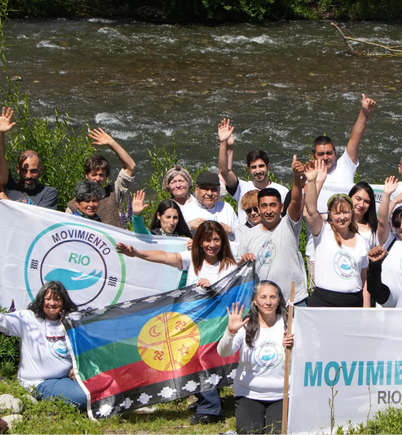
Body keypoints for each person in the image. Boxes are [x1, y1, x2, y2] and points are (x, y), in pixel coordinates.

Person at [117, 221, 237, 424]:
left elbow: (233, 297)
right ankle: (206, 398)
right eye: (207, 239)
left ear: (223, 242)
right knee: (188, 360)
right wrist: (137, 253)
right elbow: (165, 257)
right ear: (199, 242)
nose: (212, 244)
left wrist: (213, 288)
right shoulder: (193, 260)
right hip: (189, 324)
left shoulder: (230, 267)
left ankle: (211, 410)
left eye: (216, 239)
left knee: (204, 362)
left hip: (215, 325)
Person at [0, 281, 85, 410]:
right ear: (41, 300)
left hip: (66, 379)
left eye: (57, 299)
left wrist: (75, 369)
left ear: (64, 302)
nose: (52, 303)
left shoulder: (70, 322)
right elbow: (1, 320)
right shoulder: (28, 318)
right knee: (82, 397)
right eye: (47, 299)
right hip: (38, 382)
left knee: (99, 388)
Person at [218, 281, 294, 434]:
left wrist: (294, 346)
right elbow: (223, 352)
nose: (268, 302)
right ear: (255, 300)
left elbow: (307, 354)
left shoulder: (290, 324)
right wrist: (230, 332)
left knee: (276, 432)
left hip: (282, 394)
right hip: (248, 393)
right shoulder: (245, 325)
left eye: (273, 297)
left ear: (279, 300)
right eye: (263, 297)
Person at [239, 156, 309, 306]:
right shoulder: (247, 236)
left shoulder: (289, 225)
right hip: (264, 303)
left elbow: (296, 202)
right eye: (264, 206)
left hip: (293, 300)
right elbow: (239, 274)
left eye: (273, 205)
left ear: (282, 207)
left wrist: (297, 177)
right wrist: (242, 260)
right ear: (258, 208)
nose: (269, 210)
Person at [304, 159, 369, 307]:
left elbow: (364, 281)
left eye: (345, 212)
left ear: (351, 213)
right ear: (329, 214)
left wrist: (366, 310)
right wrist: (314, 181)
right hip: (323, 302)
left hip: (354, 302)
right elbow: (310, 210)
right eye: (337, 213)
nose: (342, 217)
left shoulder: (361, 241)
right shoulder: (322, 231)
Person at [218, 119, 289, 224]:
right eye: (254, 167)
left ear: (268, 166)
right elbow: (224, 170)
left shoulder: (282, 191)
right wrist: (223, 142)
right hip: (245, 238)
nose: (258, 171)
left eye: (261, 166)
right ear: (248, 169)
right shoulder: (241, 188)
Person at [66, 128, 137, 228]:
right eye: (94, 175)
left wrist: (111, 143)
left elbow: (130, 167)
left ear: (106, 177)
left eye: (101, 175)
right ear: (87, 175)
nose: (97, 179)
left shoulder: (113, 194)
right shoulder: (73, 205)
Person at [0, 107, 57, 209]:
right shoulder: (10, 187)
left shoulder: (48, 193)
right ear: (18, 169)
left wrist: (7, 202)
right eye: (24, 170)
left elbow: (38, 220)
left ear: (41, 170)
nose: (28, 175)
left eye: (33, 171)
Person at [349, 182, 389, 248]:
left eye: (366, 202)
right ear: (350, 197)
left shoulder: (374, 228)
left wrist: (387, 195)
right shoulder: (341, 224)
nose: (361, 205)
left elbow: (383, 221)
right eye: (358, 199)